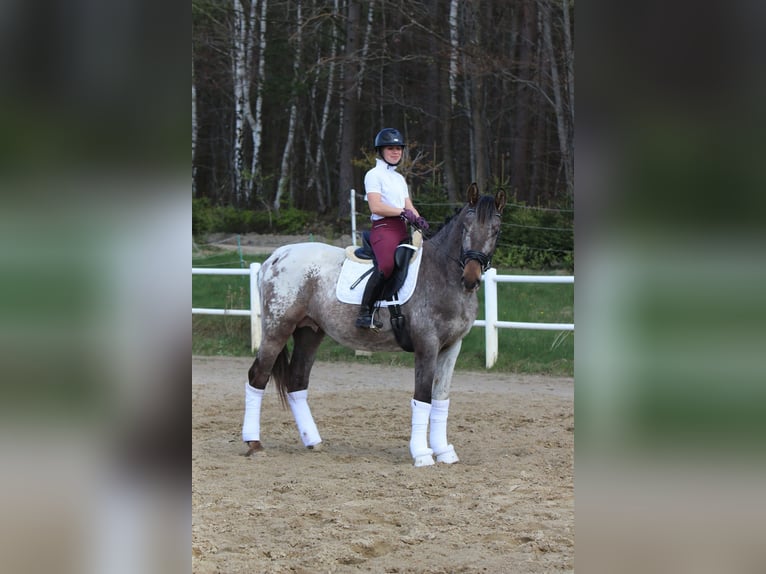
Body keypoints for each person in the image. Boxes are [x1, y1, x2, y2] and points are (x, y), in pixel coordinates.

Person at [355, 128, 429, 329]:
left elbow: (408, 205)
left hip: (401, 229)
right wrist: (403, 213)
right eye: (391, 148)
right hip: (384, 229)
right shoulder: (373, 175)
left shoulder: (398, 179)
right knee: (386, 266)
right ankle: (365, 312)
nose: (396, 152)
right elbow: (376, 206)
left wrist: (420, 220)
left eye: (398, 148)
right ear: (381, 150)